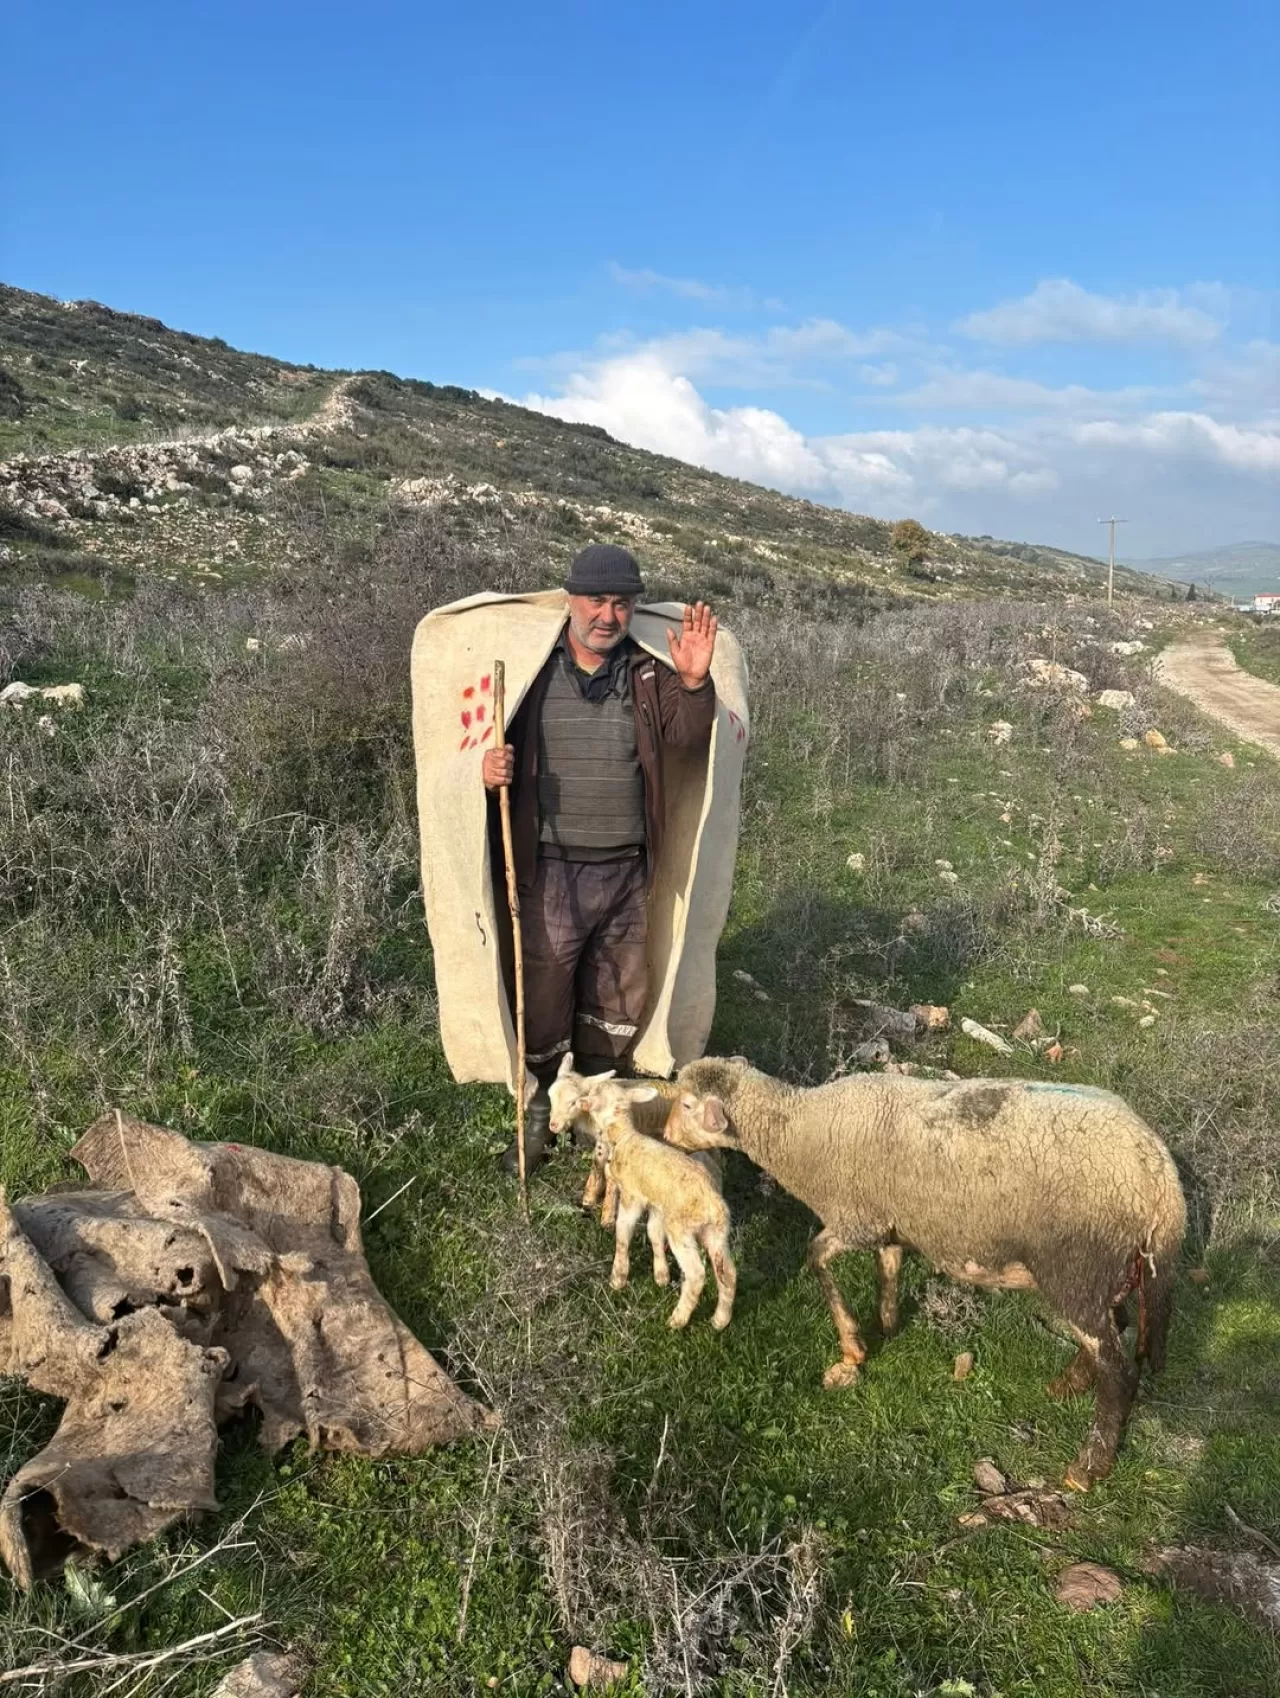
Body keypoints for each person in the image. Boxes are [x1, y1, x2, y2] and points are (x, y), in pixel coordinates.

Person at [482, 543, 718, 1175]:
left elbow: (686, 740)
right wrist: (486, 769)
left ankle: (599, 1122)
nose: (608, 616)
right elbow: (480, 742)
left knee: (616, 997)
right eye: (596, 601)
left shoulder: (645, 674)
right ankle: (538, 1121)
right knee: (542, 993)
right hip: (550, 869)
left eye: (621, 603)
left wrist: (694, 684)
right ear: (571, 600)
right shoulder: (532, 671)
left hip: (626, 873)